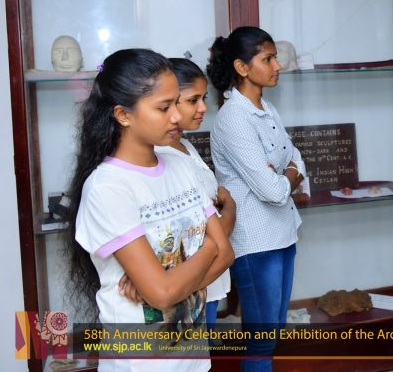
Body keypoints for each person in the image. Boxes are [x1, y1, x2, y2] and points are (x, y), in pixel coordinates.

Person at [65, 48, 234, 372]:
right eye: (163, 107)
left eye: (176, 103)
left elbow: (226, 255)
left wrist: (171, 283)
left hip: (194, 360)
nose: (177, 116)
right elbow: (163, 291)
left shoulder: (180, 166)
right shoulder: (108, 187)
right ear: (123, 115)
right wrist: (207, 249)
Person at [207, 27, 306, 372]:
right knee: (262, 341)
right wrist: (289, 174)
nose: (277, 65)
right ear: (242, 67)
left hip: (283, 232)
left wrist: (286, 172)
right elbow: (274, 191)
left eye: (275, 57)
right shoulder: (233, 118)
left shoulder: (266, 108)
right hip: (256, 242)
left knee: (271, 332)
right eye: (268, 58)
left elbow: (297, 158)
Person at [155, 58, 236, 329]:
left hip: (208, 277)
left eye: (203, 98)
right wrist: (230, 208)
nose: (203, 108)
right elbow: (211, 233)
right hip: (189, 282)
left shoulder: (184, 146)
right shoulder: (161, 156)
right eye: (193, 100)